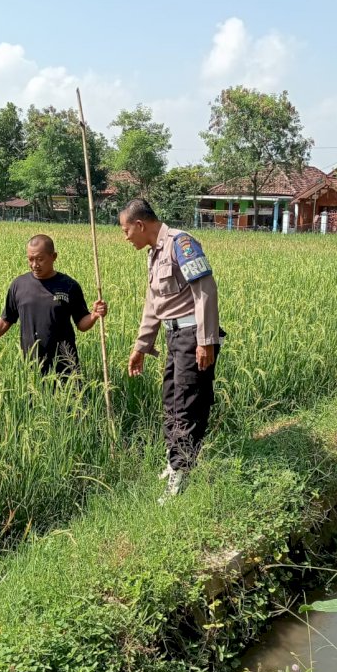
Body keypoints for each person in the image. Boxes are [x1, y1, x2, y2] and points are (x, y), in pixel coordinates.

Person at [120, 198, 222, 498]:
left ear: (140, 225)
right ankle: (176, 460)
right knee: (171, 400)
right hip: (173, 336)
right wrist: (141, 346)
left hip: (193, 336)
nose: (125, 237)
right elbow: (155, 305)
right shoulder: (154, 254)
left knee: (188, 403)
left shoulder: (182, 243)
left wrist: (206, 340)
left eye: (126, 230)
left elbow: (205, 291)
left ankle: (181, 474)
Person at [0, 234, 107, 376]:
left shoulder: (69, 286)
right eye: (30, 259)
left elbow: (82, 324)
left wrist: (94, 315)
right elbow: (5, 320)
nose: (34, 265)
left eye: (40, 259)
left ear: (54, 256)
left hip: (65, 366)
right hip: (31, 367)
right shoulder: (19, 285)